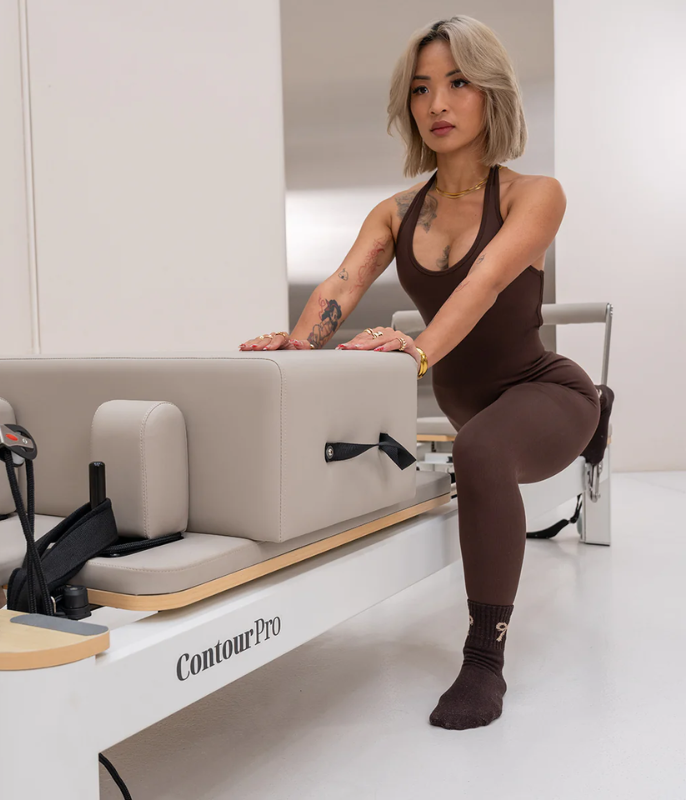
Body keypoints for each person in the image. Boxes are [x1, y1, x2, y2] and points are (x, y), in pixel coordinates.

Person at [239, 16, 601, 730]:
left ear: (490, 93)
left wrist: (417, 350)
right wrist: (298, 345)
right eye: (421, 89)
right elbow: (340, 285)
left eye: (458, 83)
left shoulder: (534, 195)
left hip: (545, 395)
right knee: (478, 440)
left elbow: (486, 283)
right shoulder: (396, 212)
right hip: (473, 405)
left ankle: (483, 659)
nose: (437, 103)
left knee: (482, 450)